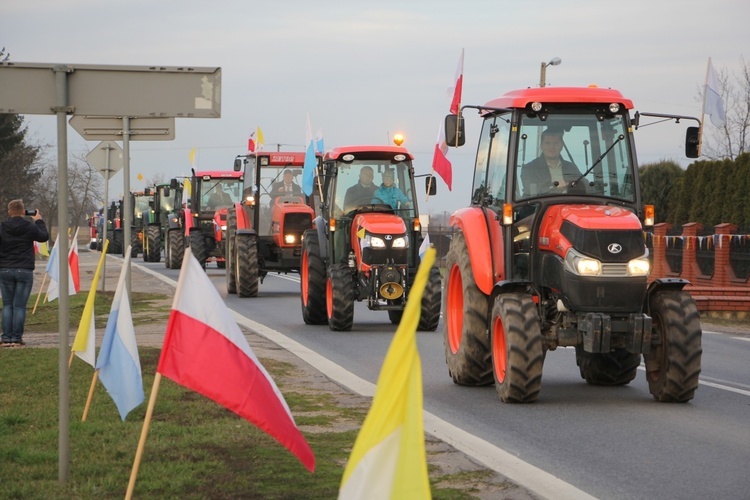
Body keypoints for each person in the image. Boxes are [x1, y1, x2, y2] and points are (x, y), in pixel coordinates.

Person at [0, 200, 49, 347]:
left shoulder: (2, 227)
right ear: (23, 212)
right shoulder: (29, 227)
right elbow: (43, 236)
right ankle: (16, 338)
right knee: (19, 306)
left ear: (9, 212)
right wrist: (39, 221)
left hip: (5, 269)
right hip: (24, 269)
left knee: (7, 304)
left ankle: (6, 337)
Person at [520, 127, 584, 197]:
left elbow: (586, 186)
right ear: (541, 146)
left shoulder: (571, 167)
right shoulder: (529, 169)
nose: (552, 147)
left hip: (570, 205)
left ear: (561, 146)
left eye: (556, 143)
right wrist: (555, 187)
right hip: (541, 206)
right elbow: (532, 191)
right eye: (548, 143)